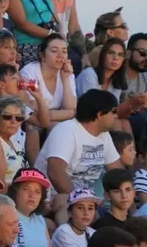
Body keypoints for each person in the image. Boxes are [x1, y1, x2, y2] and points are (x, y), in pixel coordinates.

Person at [35, 89, 123, 223]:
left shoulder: (103, 135)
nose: (116, 116)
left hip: (86, 203)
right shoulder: (66, 130)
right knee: (66, 200)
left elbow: (118, 173)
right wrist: (81, 200)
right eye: (113, 112)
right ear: (99, 114)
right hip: (53, 200)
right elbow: (55, 173)